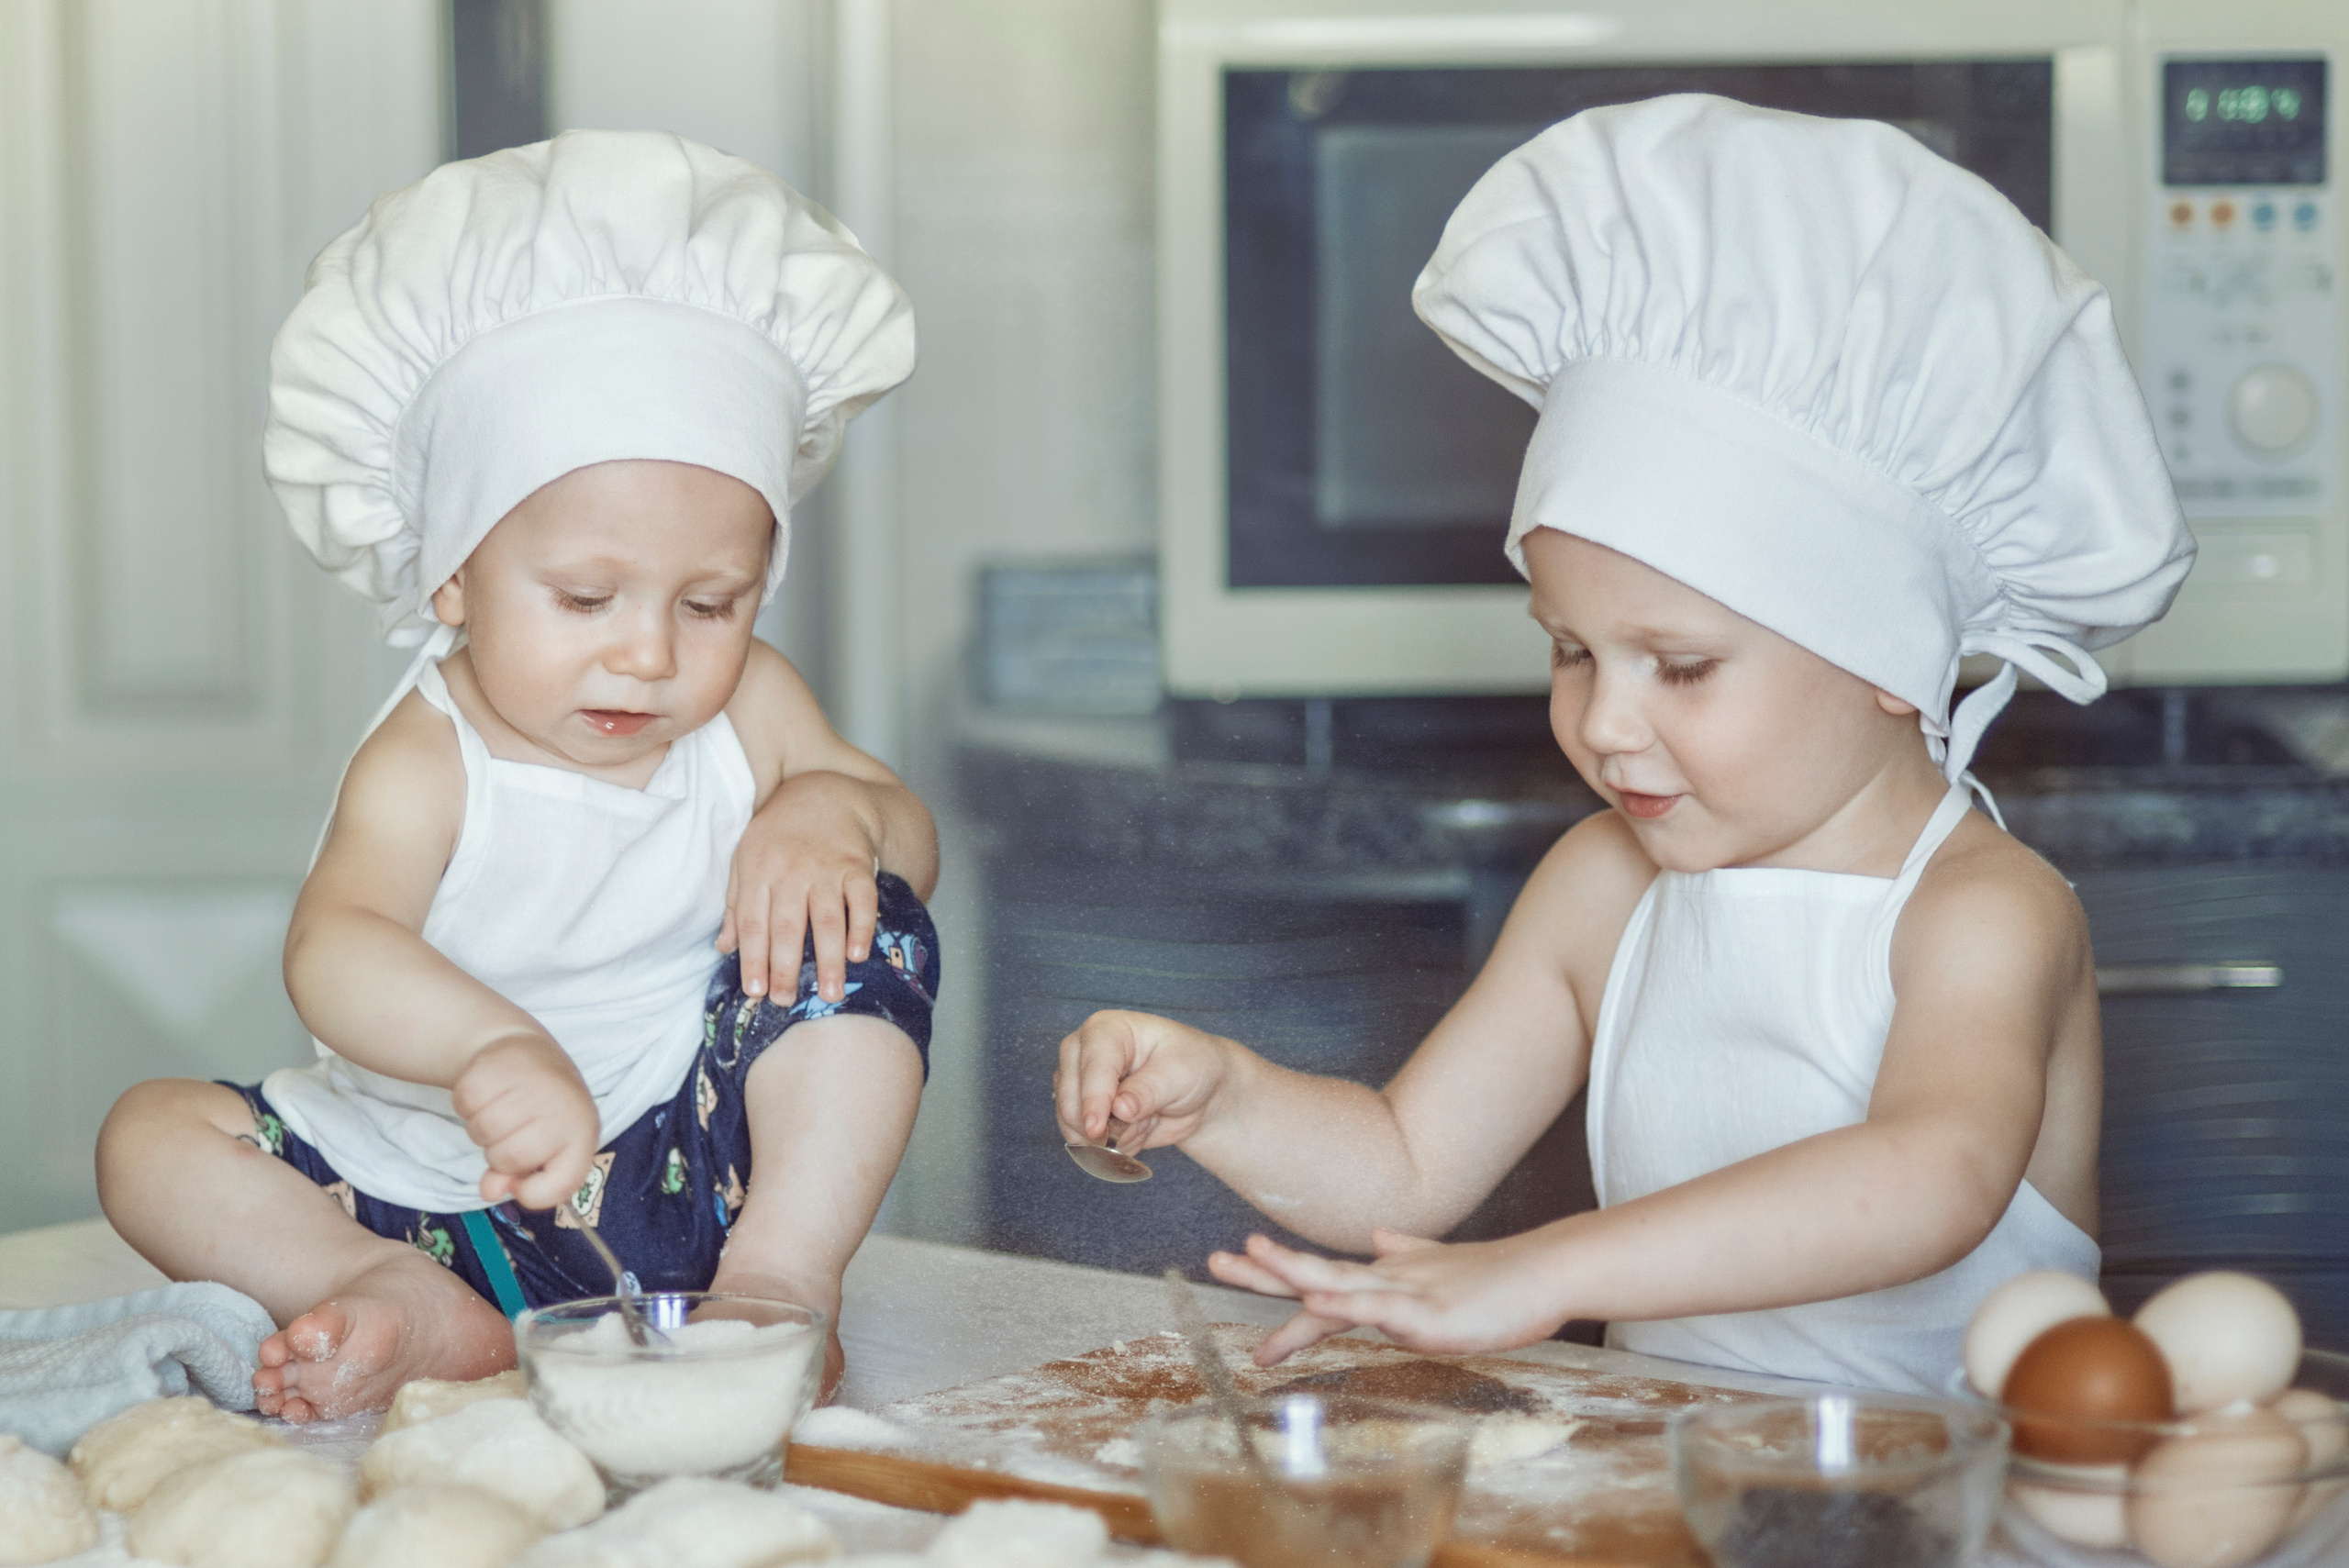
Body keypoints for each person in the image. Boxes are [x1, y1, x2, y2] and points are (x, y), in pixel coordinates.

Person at [1056, 95, 2195, 1394]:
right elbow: (1407, 1163)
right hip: (1688, 1501)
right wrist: (1231, 1097)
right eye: (1572, 648)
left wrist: (1546, 1269)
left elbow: (1927, 1178)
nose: (1601, 721)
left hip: (1960, 1512)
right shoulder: (1606, 884)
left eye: (1684, 666)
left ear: (1891, 663)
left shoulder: (1984, 910)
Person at [95, 131, 940, 1421]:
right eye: (587, 595)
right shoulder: (430, 752)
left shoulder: (751, 706)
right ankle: (391, 1290)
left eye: (711, 603)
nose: (649, 652)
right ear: (451, 574)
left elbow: (905, 840)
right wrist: (486, 1042)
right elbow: (335, 943)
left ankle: (781, 1285)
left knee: (869, 917)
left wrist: (833, 807)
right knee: (150, 1133)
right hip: (422, 1184)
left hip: (685, 1178)